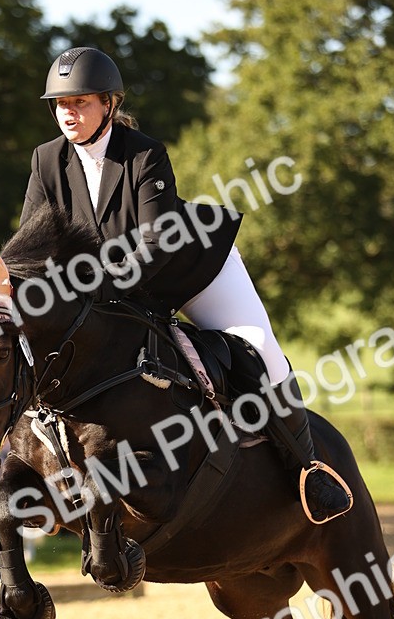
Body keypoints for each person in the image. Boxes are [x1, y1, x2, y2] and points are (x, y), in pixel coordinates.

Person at [21, 46, 352, 523]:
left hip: (191, 269)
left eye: (81, 103)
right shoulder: (46, 160)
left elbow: (155, 243)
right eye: (61, 105)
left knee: (260, 349)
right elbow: (34, 239)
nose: (68, 114)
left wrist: (89, 284)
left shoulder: (144, 155)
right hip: (110, 288)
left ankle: (310, 470)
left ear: (109, 105)